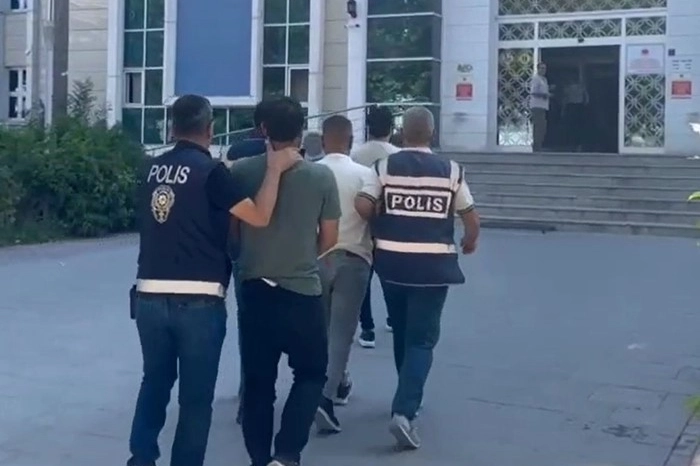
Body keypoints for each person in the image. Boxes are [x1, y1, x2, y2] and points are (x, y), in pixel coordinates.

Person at [127, 94, 301, 466]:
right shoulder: (211, 173)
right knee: (195, 399)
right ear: (210, 128)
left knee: (154, 382)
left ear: (172, 128)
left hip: (148, 295)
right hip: (200, 299)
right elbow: (259, 217)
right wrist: (274, 170)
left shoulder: (150, 169)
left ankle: (140, 459)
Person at [354, 106, 480, 450]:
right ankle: (405, 410)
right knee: (422, 340)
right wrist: (469, 242)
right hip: (433, 268)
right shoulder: (451, 170)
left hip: (391, 264)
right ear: (432, 133)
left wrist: (380, 216)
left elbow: (362, 205)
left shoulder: (383, 167)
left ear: (402, 133)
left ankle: (405, 393)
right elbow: (470, 217)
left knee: (402, 329)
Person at [231, 97, 341, 466]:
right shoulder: (321, 176)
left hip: (254, 290)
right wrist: (302, 253)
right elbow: (330, 238)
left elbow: (232, 233)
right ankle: (287, 452)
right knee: (310, 373)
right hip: (302, 291)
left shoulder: (242, 171)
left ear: (262, 128)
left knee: (258, 384)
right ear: (301, 130)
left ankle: (259, 458)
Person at [313, 115, 373, 433]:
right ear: (350, 141)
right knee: (342, 333)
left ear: (323, 141)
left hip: (315, 258)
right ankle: (325, 396)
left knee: (320, 330)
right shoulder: (366, 175)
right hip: (354, 257)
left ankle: (327, 384)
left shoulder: (309, 172)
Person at [228, 99, 271, 426]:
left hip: (244, 251)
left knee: (249, 325)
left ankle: (248, 392)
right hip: (286, 252)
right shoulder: (292, 156)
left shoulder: (236, 152)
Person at [350, 105, 399, 348]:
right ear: (392, 128)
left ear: (368, 128)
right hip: (391, 224)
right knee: (390, 275)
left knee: (364, 278)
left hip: (363, 221)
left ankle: (367, 328)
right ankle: (393, 318)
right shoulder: (398, 155)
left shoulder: (357, 155)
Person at [530, 62, 551, 152]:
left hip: (543, 106)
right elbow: (533, 92)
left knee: (542, 127)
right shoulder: (536, 79)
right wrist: (544, 95)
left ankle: (539, 145)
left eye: (544, 68)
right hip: (537, 106)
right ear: (538, 69)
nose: (543, 70)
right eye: (541, 68)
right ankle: (536, 147)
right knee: (538, 126)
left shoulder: (544, 80)